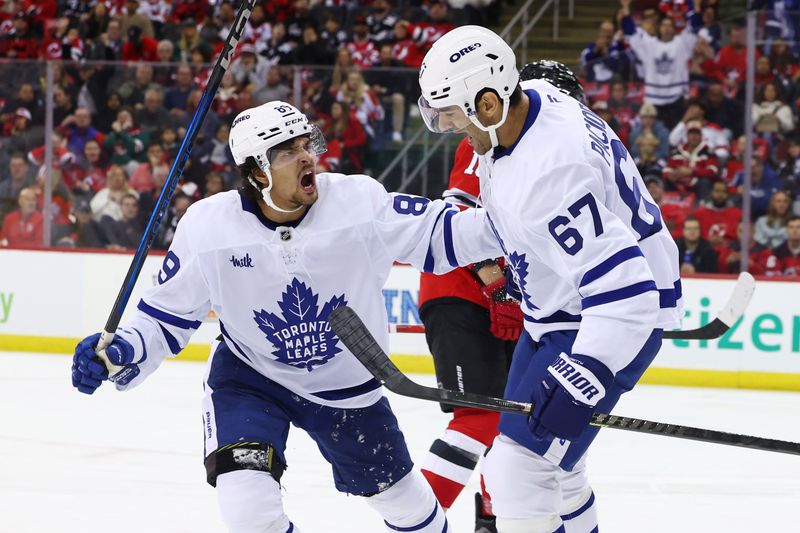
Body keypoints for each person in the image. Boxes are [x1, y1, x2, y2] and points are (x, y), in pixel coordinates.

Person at [71, 101, 505, 532]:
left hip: (347, 385)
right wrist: (123, 350)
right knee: (248, 513)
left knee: (409, 510)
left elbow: (442, 230)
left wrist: (521, 226)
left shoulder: (358, 201)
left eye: (306, 143)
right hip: (251, 379)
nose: (305, 156)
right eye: (285, 151)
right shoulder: (207, 227)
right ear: (258, 172)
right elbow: (164, 318)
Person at [418, 26, 682, 532]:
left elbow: (625, 295)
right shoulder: (537, 100)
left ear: (490, 104)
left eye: (454, 115)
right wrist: (395, 230)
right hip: (557, 311)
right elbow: (504, 222)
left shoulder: (549, 173)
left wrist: (588, 370)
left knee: (517, 474)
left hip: (595, 319)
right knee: (557, 471)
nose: (453, 129)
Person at [419, 59, 585, 533]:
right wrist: (498, 285)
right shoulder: (491, 141)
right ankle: (414, 521)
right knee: (480, 419)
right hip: (460, 292)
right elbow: (461, 218)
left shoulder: (549, 147)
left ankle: (493, 519)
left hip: (508, 303)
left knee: (515, 425)